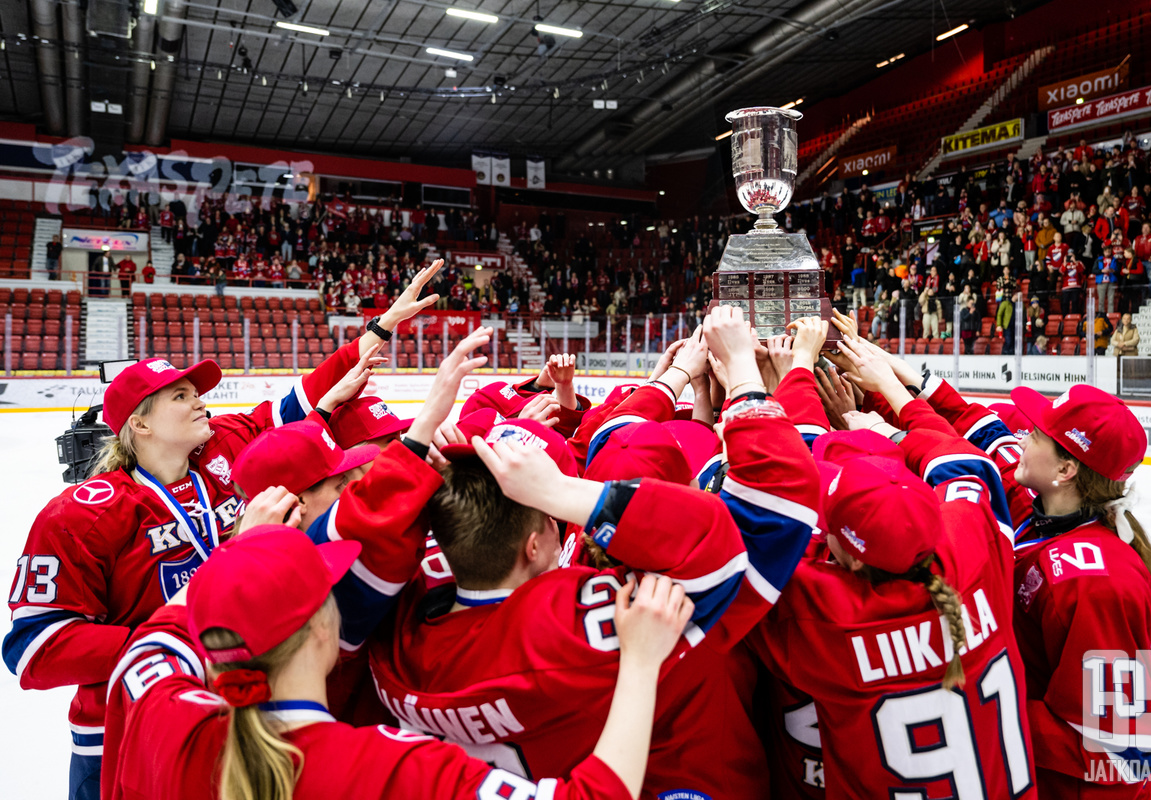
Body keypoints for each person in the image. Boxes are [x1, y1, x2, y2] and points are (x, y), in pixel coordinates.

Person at [3, 263, 446, 800]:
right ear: (138, 424)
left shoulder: (220, 451)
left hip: (243, 706)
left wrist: (379, 329)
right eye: (181, 396)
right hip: (130, 728)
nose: (200, 401)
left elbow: (299, 403)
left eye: (196, 391)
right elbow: (33, 648)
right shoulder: (83, 513)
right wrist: (178, 641)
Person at [353, 313, 821, 799]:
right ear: (535, 544)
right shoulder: (590, 626)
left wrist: (416, 450)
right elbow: (771, 524)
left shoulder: (395, 632)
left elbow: (363, 541)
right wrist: (744, 372)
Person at [100, 525, 689, 800]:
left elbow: (153, 645)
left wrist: (236, 565)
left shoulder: (166, 717)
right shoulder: (394, 769)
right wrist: (640, 663)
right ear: (323, 629)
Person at [748, 335, 1032, 800]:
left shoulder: (829, 617)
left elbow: (775, 512)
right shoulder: (974, 550)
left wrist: (796, 373)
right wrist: (893, 403)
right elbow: (962, 464)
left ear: (852, 556)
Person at [896, 361, 1151, 797]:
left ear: (1066, 470)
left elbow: (1123, 750)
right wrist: (896, 380)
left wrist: (980, 707)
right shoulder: (1043, 507)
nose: (1022, 437)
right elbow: (983, 436)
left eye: (1036, 435)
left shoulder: (1099, 583)